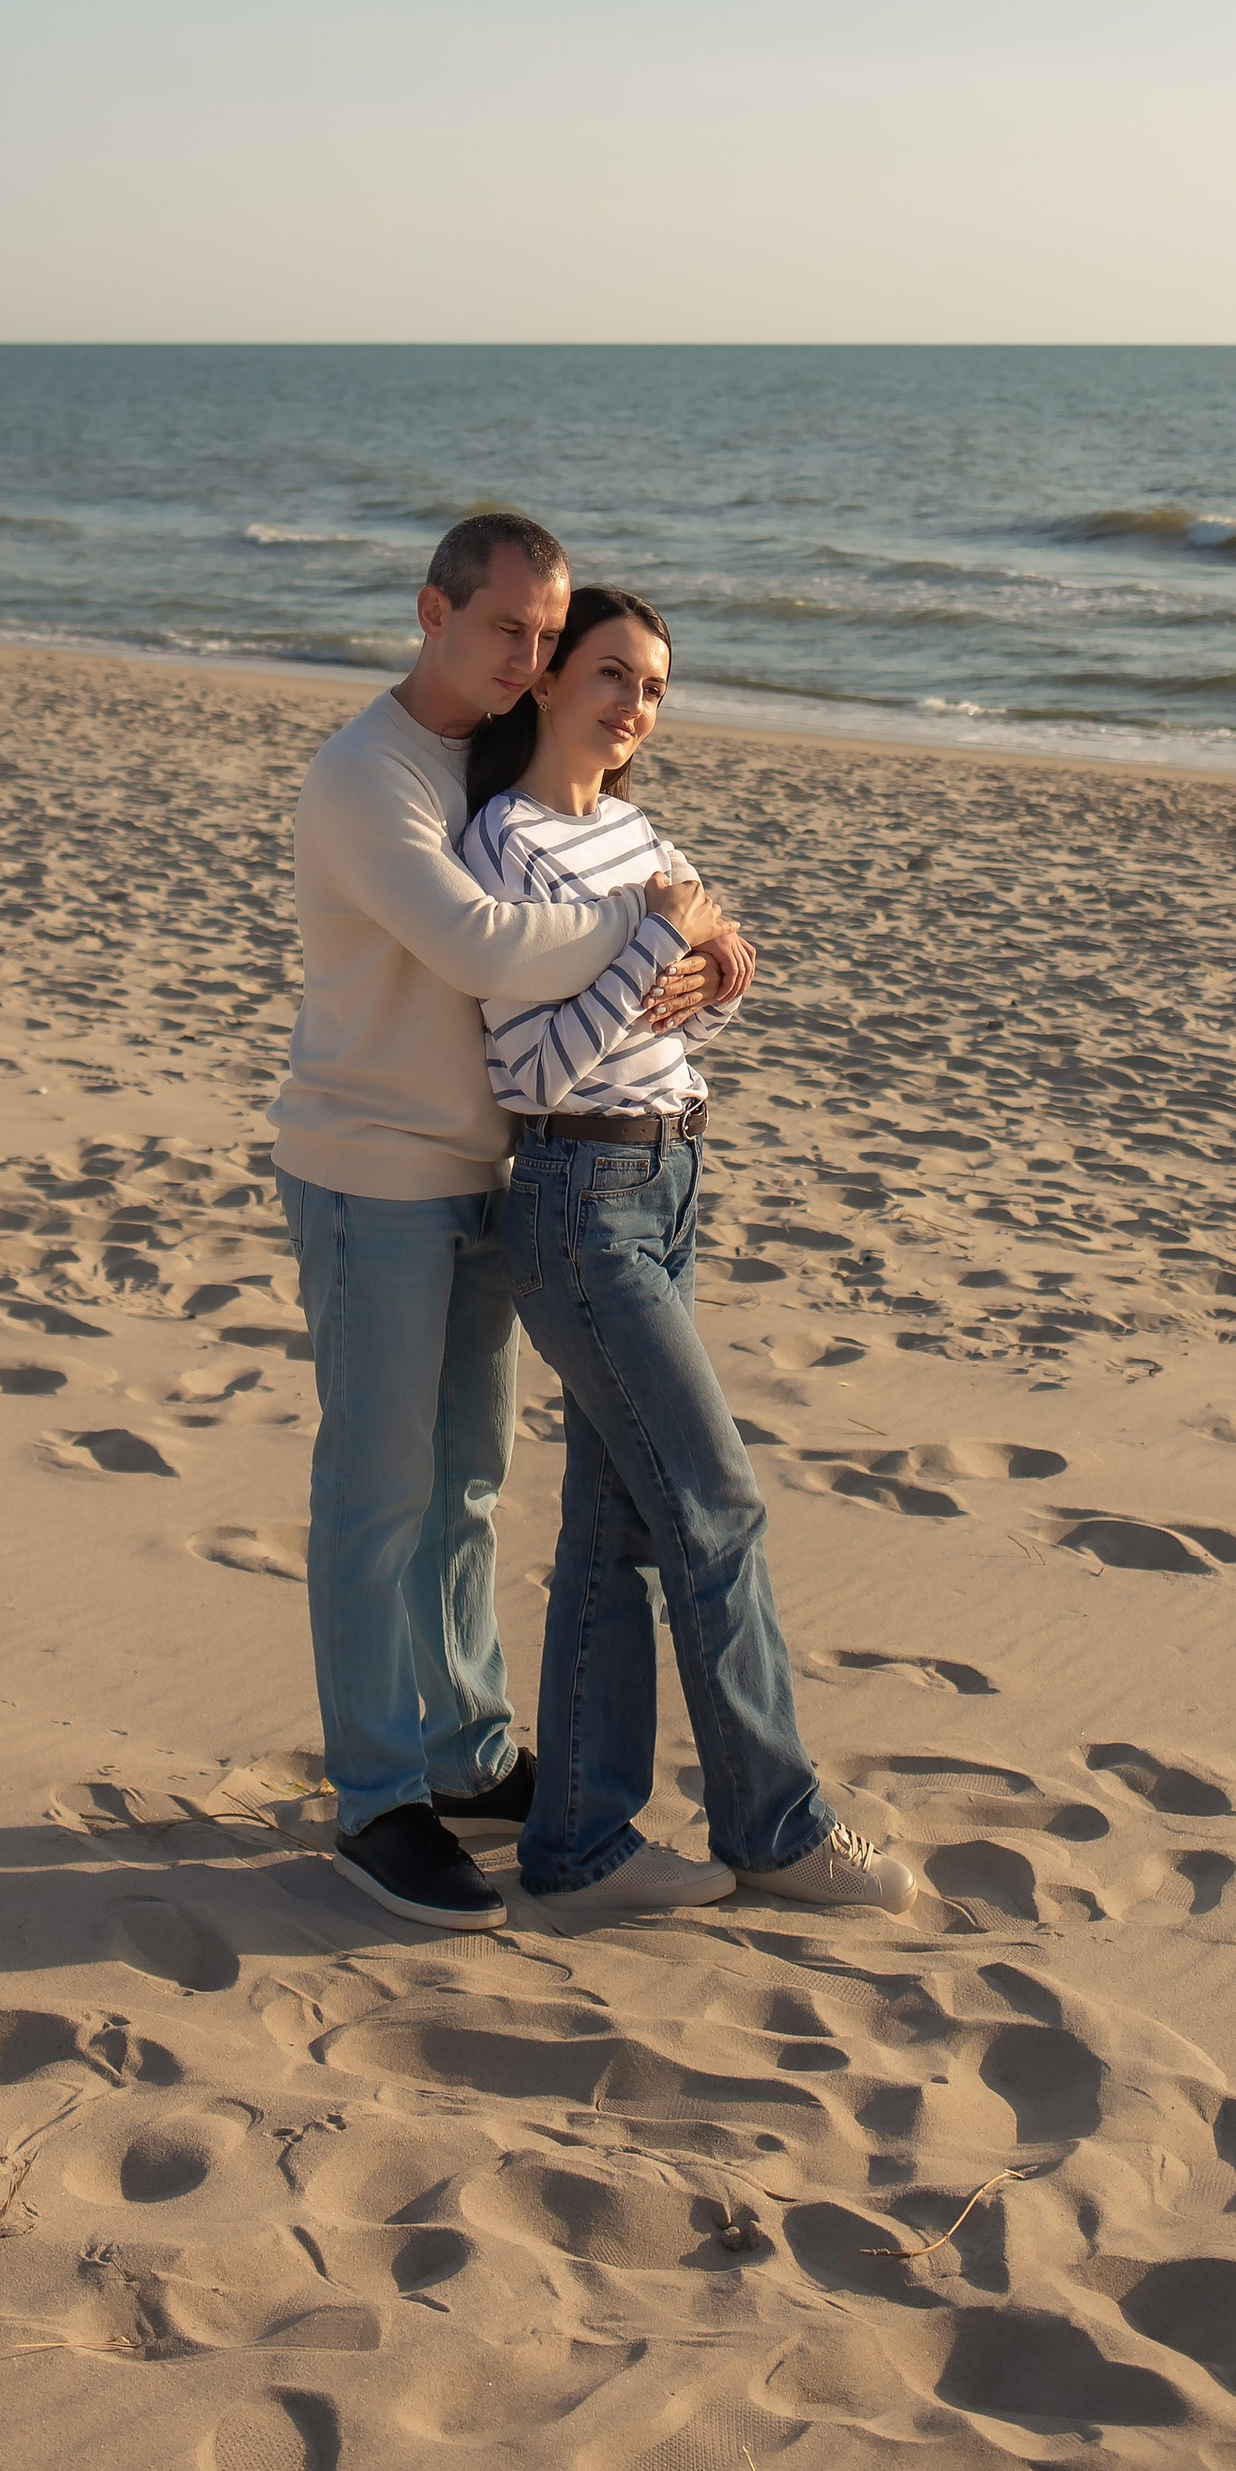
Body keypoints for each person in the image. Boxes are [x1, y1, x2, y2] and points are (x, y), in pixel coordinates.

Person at [267, 511, 728, 1931]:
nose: (530, 657)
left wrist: (700, 933)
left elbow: (592, 870)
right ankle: (375, 1800)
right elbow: (480, 943)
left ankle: (465, 1754)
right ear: (433, 612)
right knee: (376, 1491)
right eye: (505, 629)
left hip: (492, 1170)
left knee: (468, 1480)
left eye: (546, 634)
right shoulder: (369, 776)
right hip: (372, 1170)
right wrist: (660, 922)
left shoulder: (484, 760)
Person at [461, 586, 917, 1919]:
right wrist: (671, 935)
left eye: (655, 689)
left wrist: (716, 968)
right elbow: (533, 1069)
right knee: (716, 1507)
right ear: (550, 678)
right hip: (578, 1199)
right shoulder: (509, 846)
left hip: (670, 1183)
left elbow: (678, 1015)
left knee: (617, 1527)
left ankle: (579, 1846)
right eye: (612, 675)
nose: (633, 708)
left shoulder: (635, 832)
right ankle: (773, 1826)